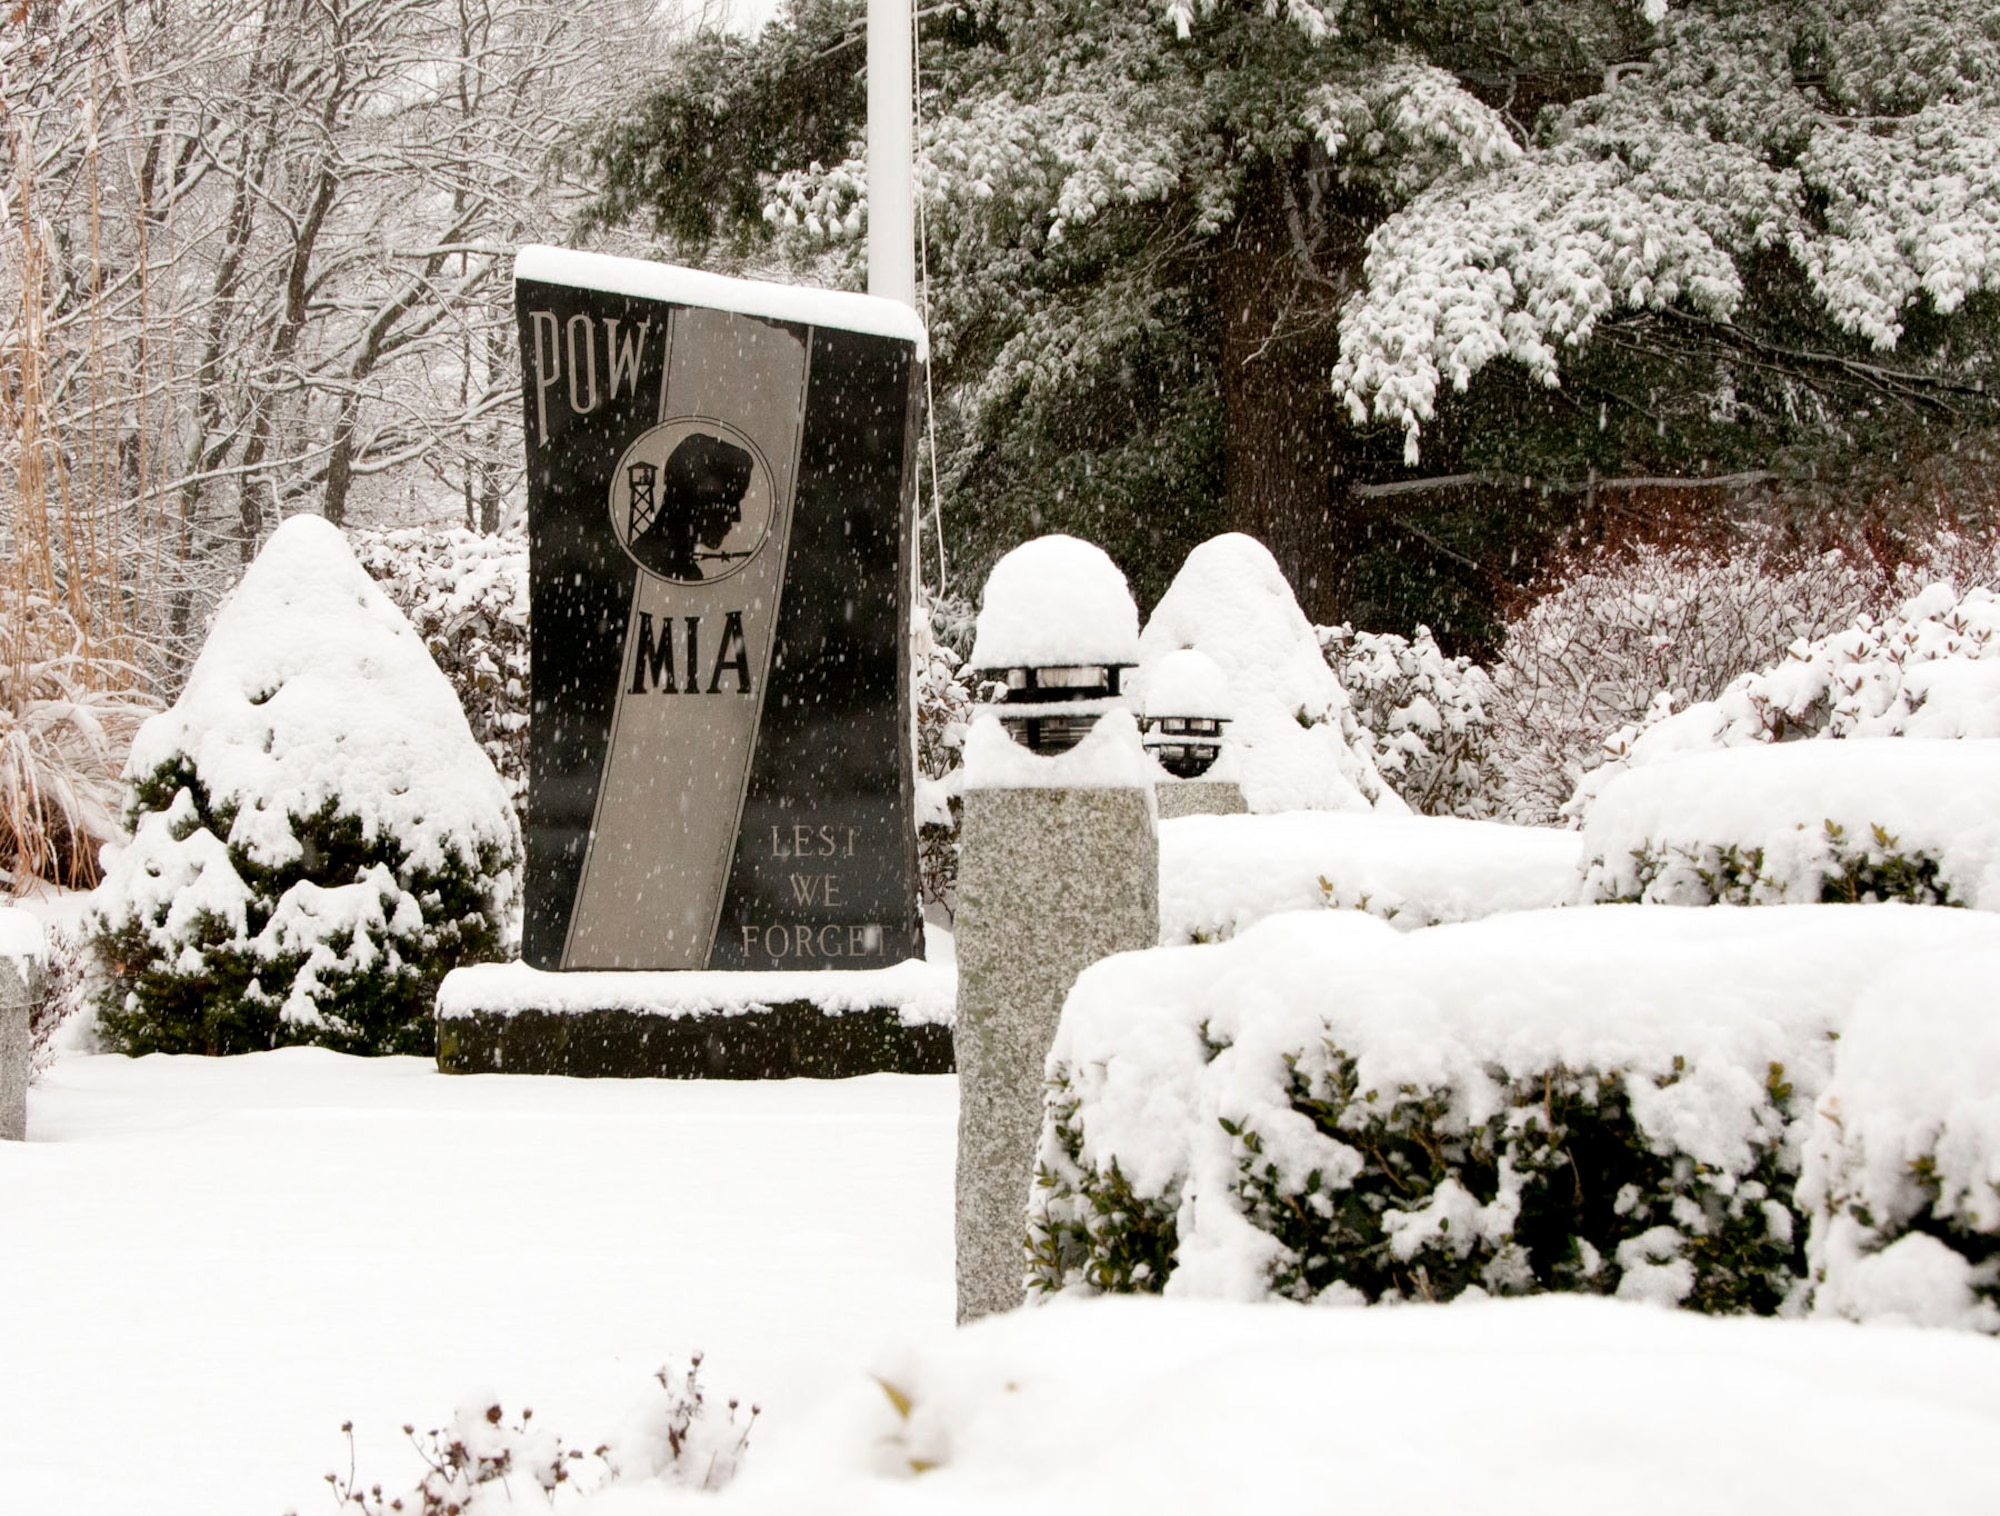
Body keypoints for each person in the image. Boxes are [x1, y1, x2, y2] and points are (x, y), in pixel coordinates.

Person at [630, 431, 754, 580]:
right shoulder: (678, 572)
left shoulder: (647, 561)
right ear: (699, 499)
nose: (737, 517)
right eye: (729, 503)